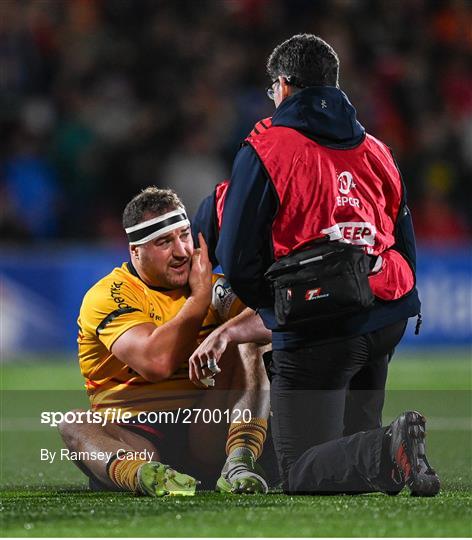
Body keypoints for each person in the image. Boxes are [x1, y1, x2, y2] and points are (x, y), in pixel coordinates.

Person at [208, 34, 439, 494]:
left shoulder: (268, 147)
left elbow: (236, 256)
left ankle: (388, 446)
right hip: (383, 316)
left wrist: (278, 310)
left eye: (273, 90)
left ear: (284, 86)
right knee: (351, 465)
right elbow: (405, 244)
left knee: (297, 470)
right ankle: (391, 452)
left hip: (319, 321)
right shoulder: (378, 150)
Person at [58, 186, 273, 496]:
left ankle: (241, 460)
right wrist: (198, 300)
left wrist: (225, 332)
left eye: (185, 235)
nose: (182, 251)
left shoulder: (215, 288)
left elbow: (270, 321)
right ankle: (144, 476)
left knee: (249, 337)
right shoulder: (109, 295)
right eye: (164, 242)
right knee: (73, 423)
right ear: (135, 251)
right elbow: (155, 362)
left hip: (206, 430)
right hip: (135, 437)